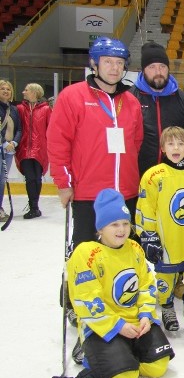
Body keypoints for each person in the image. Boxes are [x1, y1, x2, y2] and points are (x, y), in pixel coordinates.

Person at [64, 188, 174, 378]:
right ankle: (91, 350)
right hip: (103, 325)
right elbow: (86, 300)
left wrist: (145, 315)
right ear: (100, 228)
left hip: (135, 321)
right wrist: (117, 326)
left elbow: (146, 285)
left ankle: (125, 352)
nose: (121, 229)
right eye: (114, 224)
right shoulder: (86, 253)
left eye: (125, 223)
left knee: (157, 367)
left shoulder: (134, 248)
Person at [47, 36, 143, 248]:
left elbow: (135, 143)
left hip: (125, 193)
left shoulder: (131, 102)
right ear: (94, 63)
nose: (114, 68)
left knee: (123, 257)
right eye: (108, 61)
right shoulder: (72, 96)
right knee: (87, 254)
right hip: (89, 193)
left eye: (119, 63)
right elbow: (57, 143)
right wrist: (63, 184)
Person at [136, 127, 184, 331]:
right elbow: (146, 208)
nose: (176, 148)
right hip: (167, 238)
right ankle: (167, 306)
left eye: (181, 143)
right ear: (162, 148)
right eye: (170, 143)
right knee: (166, 275)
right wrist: (149, 234)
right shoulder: (154, 175)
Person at [130, 41, 184, 176]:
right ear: (143, 70)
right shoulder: (130, 98)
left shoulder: (183, 99)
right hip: (139, 175)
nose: (158, 72)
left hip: (174, 175)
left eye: (162, 66)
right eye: (152, 67)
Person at [15, 83, 50, 219]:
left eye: (27, 90)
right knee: (30, 178)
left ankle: (35, 207)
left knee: (37, 178)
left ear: (34, 92)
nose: (24, 92)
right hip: (24, 149)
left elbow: (51, 129)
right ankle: (34, 207)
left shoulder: (46, 109)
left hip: (41, 149)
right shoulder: (19, 109)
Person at [0, 79, 21, 222]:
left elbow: (19, 128)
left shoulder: (13, 109)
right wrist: (3, 143)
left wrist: (14, 142)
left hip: (9, 150)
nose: (6, 91)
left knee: (2, 180)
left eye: (8, 89)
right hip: (1, 147)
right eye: (3, 89)